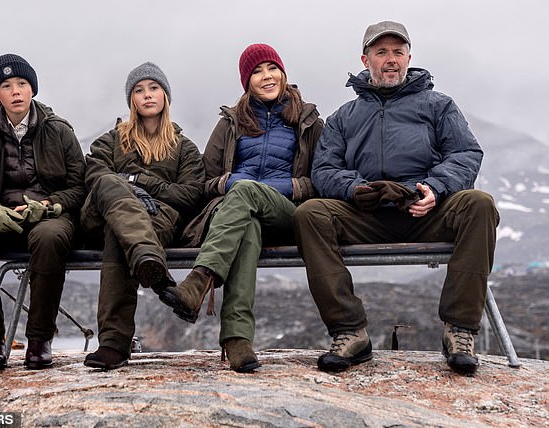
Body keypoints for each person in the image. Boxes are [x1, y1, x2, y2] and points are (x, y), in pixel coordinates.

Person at [293, 21, 499, 376]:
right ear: (365, 59)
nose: (391, 59)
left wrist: (434, 188)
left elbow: (465, 153)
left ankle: (459, 331)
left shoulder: (439, 105)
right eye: (381, 52)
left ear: (409, 58)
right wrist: (355, 189)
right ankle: (349, 332)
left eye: (398, 52)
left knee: (479, 204)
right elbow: (324, 170)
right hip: (366, 214)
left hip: (423, 210)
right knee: (311, 213)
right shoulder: (344, 117)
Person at [160, 44, 323, 373]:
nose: (266, 77)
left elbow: (319, 179)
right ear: (247, 82)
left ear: (283, 73)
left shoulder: (307, 120)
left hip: (286, 213)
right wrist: (228, 185)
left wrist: (280, 187)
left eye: (271, 68)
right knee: (246, 221)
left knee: (247, 192)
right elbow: (205, 180)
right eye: (257, 72)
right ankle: (237, 340)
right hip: (237, 215)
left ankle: (199, 280)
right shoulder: (231, 122)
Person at [0, 54, 86, 372]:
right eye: (7, 86)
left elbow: (79, 187)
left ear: (32, 89)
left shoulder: (59, 131)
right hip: (3, 221)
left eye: (22, 84)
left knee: (49, 237)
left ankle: (39, 341)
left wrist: (49, 206)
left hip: (50, 218)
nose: (16, 91)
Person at [82, 62, 204, 370]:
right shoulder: (111, 140)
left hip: (157, 222)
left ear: (165, 95)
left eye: (153, 88)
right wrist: (129, 192)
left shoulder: (184, 148)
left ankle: (113, 344)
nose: (147, 95)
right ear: (131, 100)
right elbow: (95, 176)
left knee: (119, 232)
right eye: (139, 90)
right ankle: (149, 262)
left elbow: (190, 194)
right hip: (102, 216)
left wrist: (141, 182)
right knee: (109, 184)